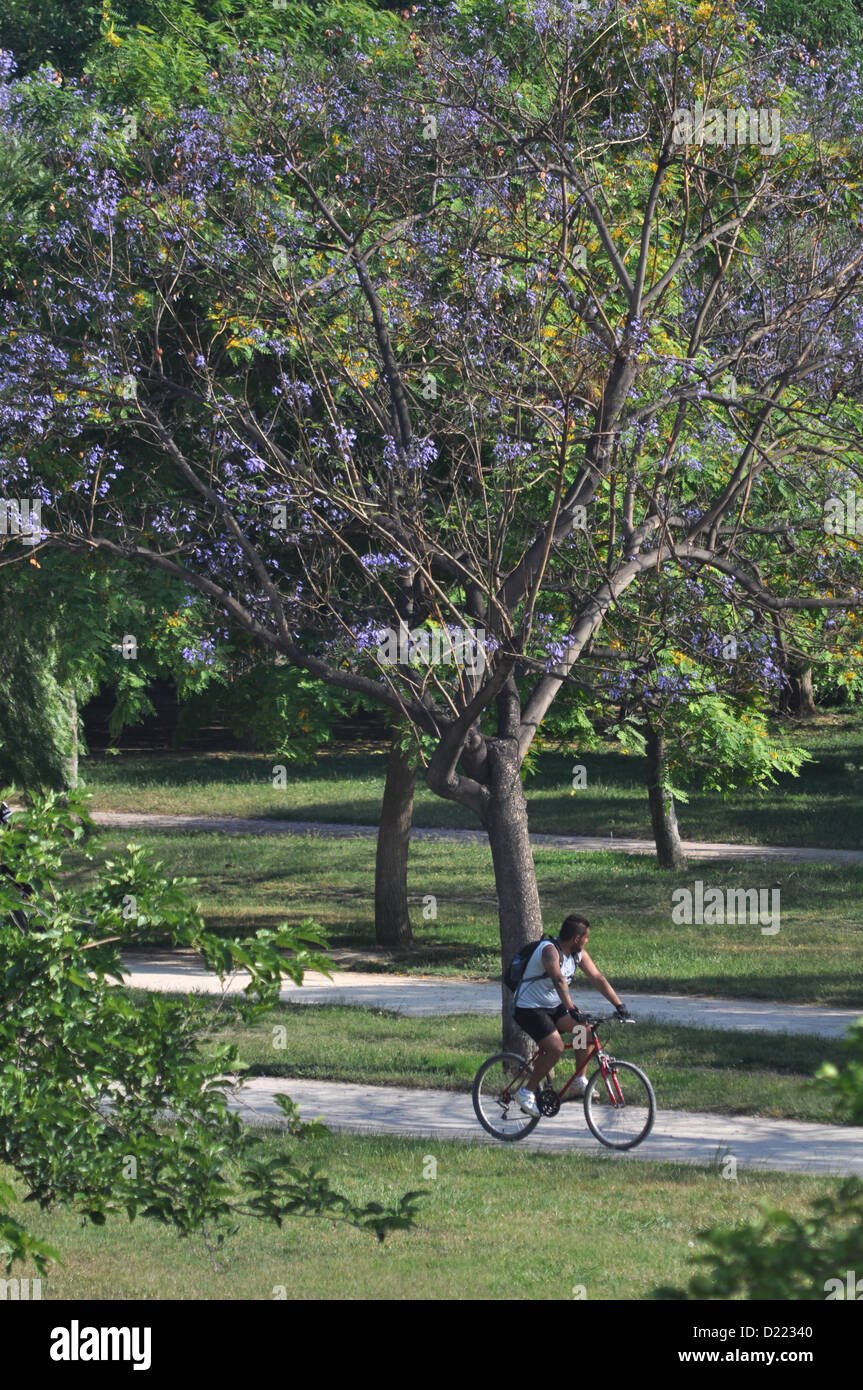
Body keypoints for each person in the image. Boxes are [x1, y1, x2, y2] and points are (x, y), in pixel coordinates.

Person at [512, 913, 631, 1118]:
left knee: (585, 1032)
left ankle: (578, 1082)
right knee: (555, 1048)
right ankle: (526, 1092)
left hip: (552, 1006)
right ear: (577, 939)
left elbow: (597, 977)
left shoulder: (577, 954)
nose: (586, 942)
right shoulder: (549, 951)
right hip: (529, 1008)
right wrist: (572, 1009)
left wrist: (619, 1005)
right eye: (586, 938)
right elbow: (558, 980)